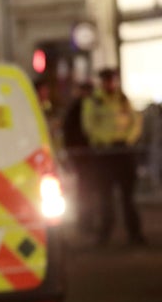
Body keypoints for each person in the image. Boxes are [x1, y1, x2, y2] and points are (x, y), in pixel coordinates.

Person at [81, 67, 146, 246]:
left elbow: (135, 122)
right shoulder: (94, 101)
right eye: (106, 80)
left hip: (123, 152)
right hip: (104, 154)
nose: (110, 83)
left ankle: (135, 233)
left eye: (112, 80)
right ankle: (104, 234)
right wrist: (105, 141)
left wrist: (128, 139)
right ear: (102, 82)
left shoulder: (123, 99)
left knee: (128, 197)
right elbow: (89, 126)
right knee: (105, 197)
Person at [62, 81, 95, 232]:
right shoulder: (76, 108)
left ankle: (87, 222)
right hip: (83, 156)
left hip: (88, 155)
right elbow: (69, 131)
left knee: (88, 191)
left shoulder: (85, 106)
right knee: (85, 191)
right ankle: (84, 223)